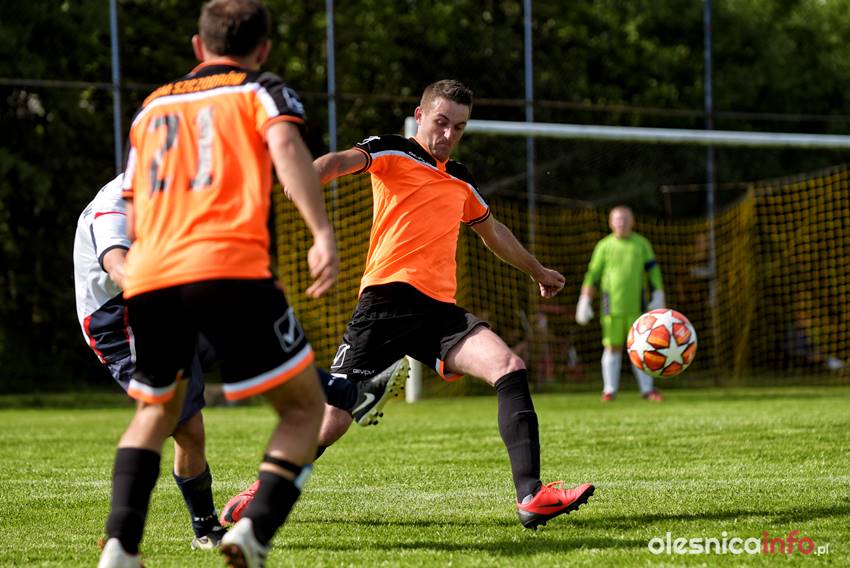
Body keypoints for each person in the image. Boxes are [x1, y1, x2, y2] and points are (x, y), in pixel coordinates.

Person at [226, 79, 594, 531]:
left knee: (509, 366)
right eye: (441, 122)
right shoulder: (395, 150)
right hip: (386, 302)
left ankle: (531, 496)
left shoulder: (460, 177)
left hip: (438, 311)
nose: (448, 134)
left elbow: (492, 231)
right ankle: (261, 492)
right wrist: (306, 176)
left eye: (459, 127)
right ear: (420, 116)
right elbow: (339, 161)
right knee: (333, 420)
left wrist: (537, 270)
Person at [96, 1, 338, 567]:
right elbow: (286, 148)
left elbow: (134, 201)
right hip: (229, 266)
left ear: (198, 47)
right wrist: (321, 231)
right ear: (263, 50)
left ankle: (120, 546)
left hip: (152, 275)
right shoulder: (261, 90)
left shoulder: (151, 107)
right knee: (305, 410)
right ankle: (252, 532)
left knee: (154, 412)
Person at [74, 174, 227, 551]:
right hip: (120, 319)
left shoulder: (177, 188)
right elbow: (119, 267)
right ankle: (197, 529)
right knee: (184, 425)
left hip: (162, 304)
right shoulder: (114, 206)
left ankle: (335, 393)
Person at [575, 206, 665, 402]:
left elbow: (653, 271)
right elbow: (593, 275)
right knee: (612, 347)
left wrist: (658, 292)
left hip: (638, 308)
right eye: (617, 219)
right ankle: (609, 390)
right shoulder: (604, 246)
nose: (621, 223)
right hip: (612, 309)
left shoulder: (642, 244)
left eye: (625, 219)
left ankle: (648, 390)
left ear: (632, 222)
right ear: (610, 222)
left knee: (641, 347)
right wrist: (585, 299)